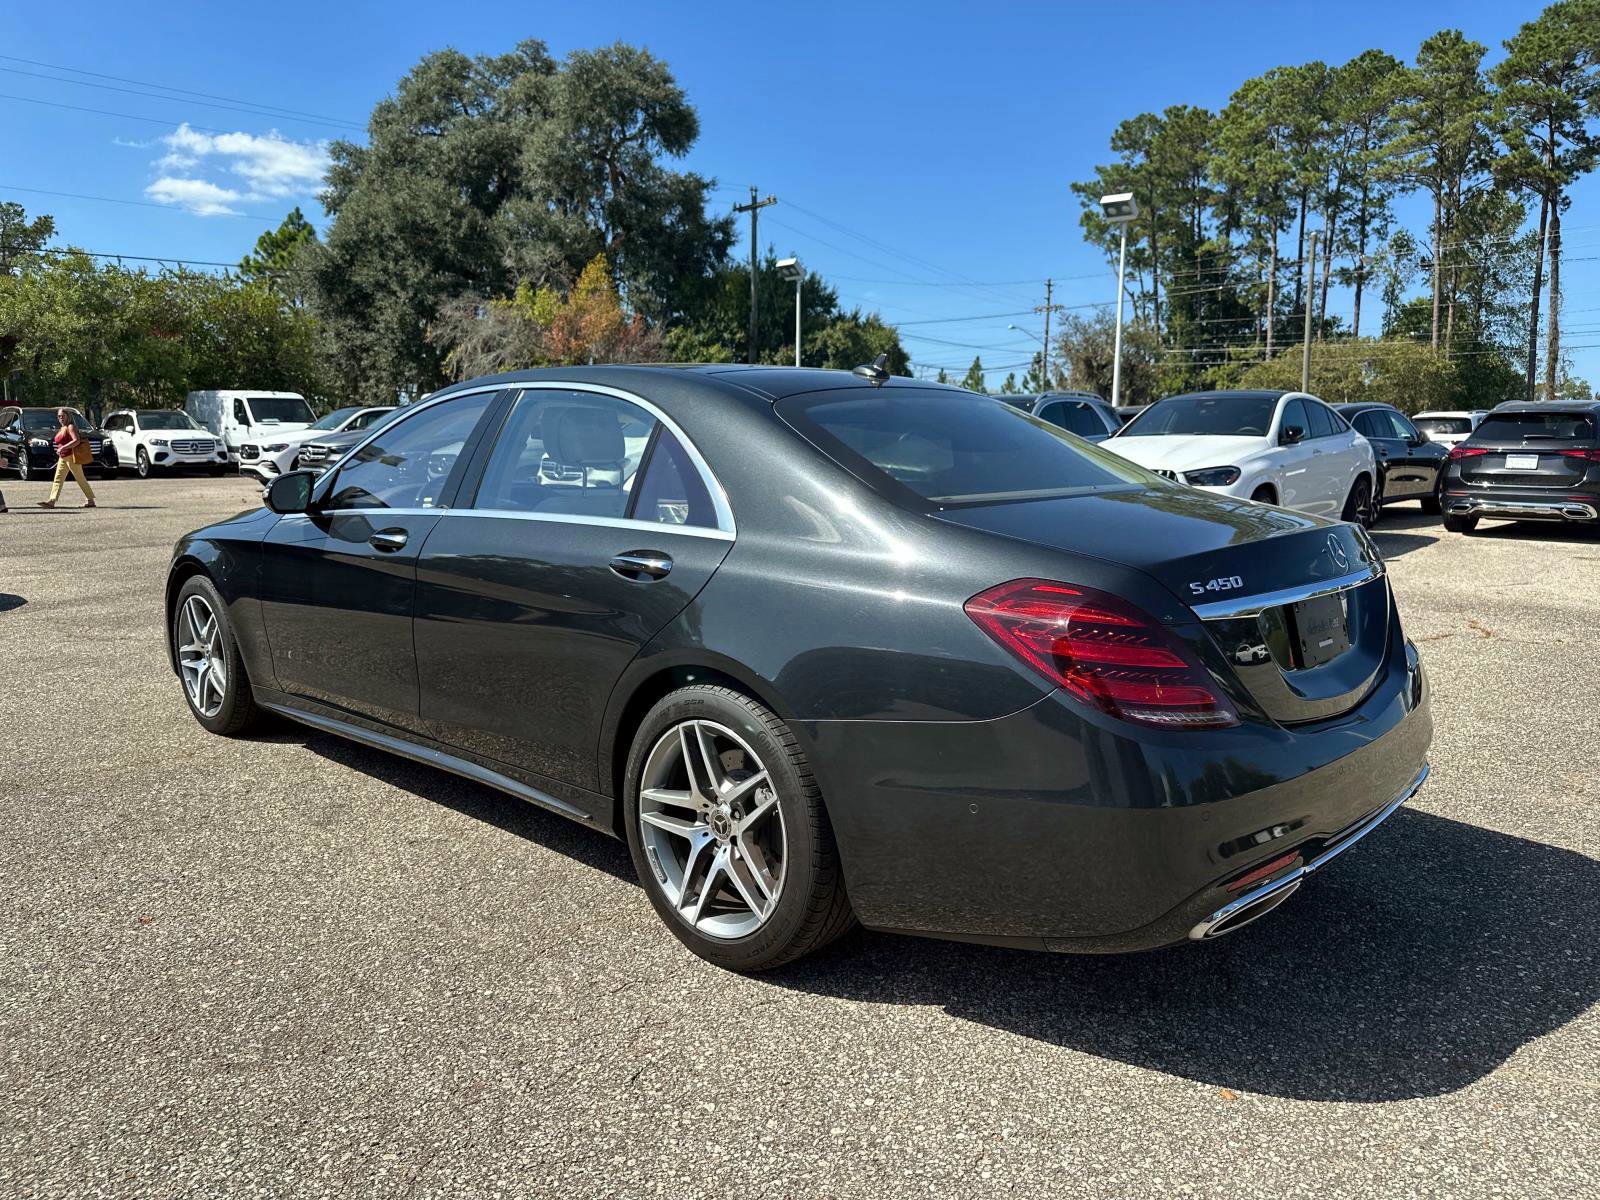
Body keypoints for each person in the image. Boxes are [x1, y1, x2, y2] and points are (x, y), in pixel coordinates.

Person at [37, 408, 96, 509]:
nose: (61, 418)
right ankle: (52, 501)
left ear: (68, 416)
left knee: (80, 479)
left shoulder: (70, 427)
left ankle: (90, 500)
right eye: (59, 416)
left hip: (71, 456)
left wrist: (64, 447)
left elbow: (76, 441)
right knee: (58, 479)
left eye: (63, 416)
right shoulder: (62, 428)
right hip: (63, 457)